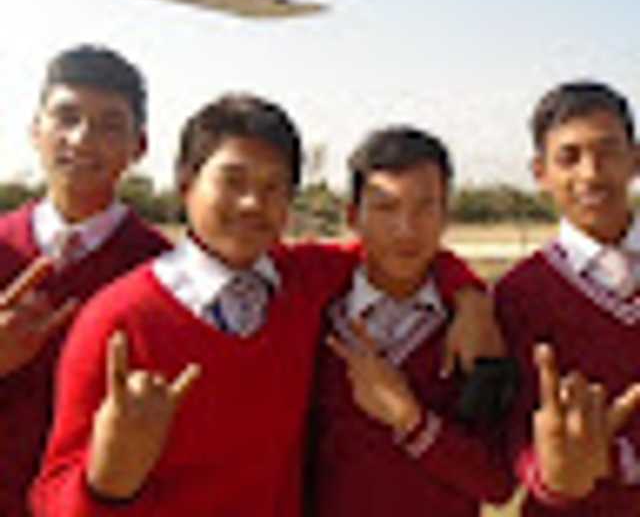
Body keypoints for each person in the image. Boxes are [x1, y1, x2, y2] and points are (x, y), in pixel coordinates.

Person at [31, 94, 500, 517]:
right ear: (186, 183)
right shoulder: (117, 319)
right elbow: (50, 499)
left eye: (274, 187)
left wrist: (471, 298)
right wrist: (107, 478)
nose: (253, 203)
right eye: (232, 181)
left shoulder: (305, 282)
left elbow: (394, 253)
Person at [0, 45, 170, 516]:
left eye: (109, 125)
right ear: (35, 130)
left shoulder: (163, 272)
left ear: (139, 146)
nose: (82, 139)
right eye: (66, 117)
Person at [311, 126, 513, 516]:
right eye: (385, 208)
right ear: (353, 217)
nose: (406, 229)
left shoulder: (478, 328)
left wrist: (412, 420)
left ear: (446, 216)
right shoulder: (314, 307)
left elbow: (497, 483)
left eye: (425, 207)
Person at [496, 81, 640, 515]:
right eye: (569, 157)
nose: (591, 174)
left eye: (607, 152)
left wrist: (617, 457)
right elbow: (514, 435)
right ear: (541, 173)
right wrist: (556, 472)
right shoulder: (517, 294)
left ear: (635, 159)